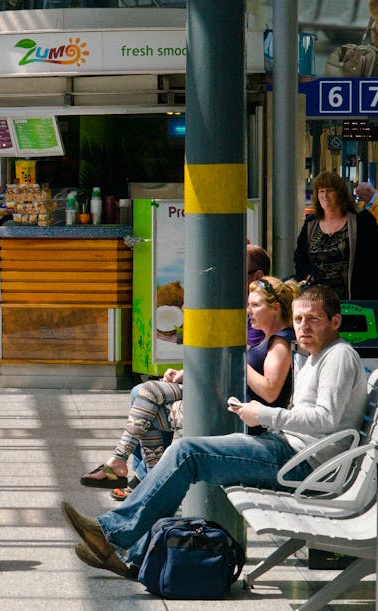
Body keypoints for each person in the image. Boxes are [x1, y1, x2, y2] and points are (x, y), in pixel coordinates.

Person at [62, 285, 368, 579]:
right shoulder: (314, 355)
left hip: (302, 464)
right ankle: (138, 555)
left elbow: (325, 418)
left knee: (187, 453)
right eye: (299, 319)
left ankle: (113, 534)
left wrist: (262, 414)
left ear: (335, 321)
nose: (304, 327)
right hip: (290, 451)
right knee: (185, 452)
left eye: (313, 319)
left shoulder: (337, 356)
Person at [80, 275, 298, 491]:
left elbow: (269, 391)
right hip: (223, 401)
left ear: (276, 308)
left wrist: (238, 357)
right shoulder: (265, 338)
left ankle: (137, 474)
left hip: (235, 415)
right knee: (147, 400)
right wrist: (188, 374)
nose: (249, 311)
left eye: (255, 305)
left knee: (147, 402)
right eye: (248, 305)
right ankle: (145, 479)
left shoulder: (279, 343)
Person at [294, 170, 378, 299]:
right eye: (321, 191)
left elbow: (373, 260)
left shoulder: (362, 220)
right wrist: (306, 278)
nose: (325, 196)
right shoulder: (311, 223)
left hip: (356, 301)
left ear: (340, 194)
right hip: (319, 302)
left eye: (330, 191)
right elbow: (300, 258)